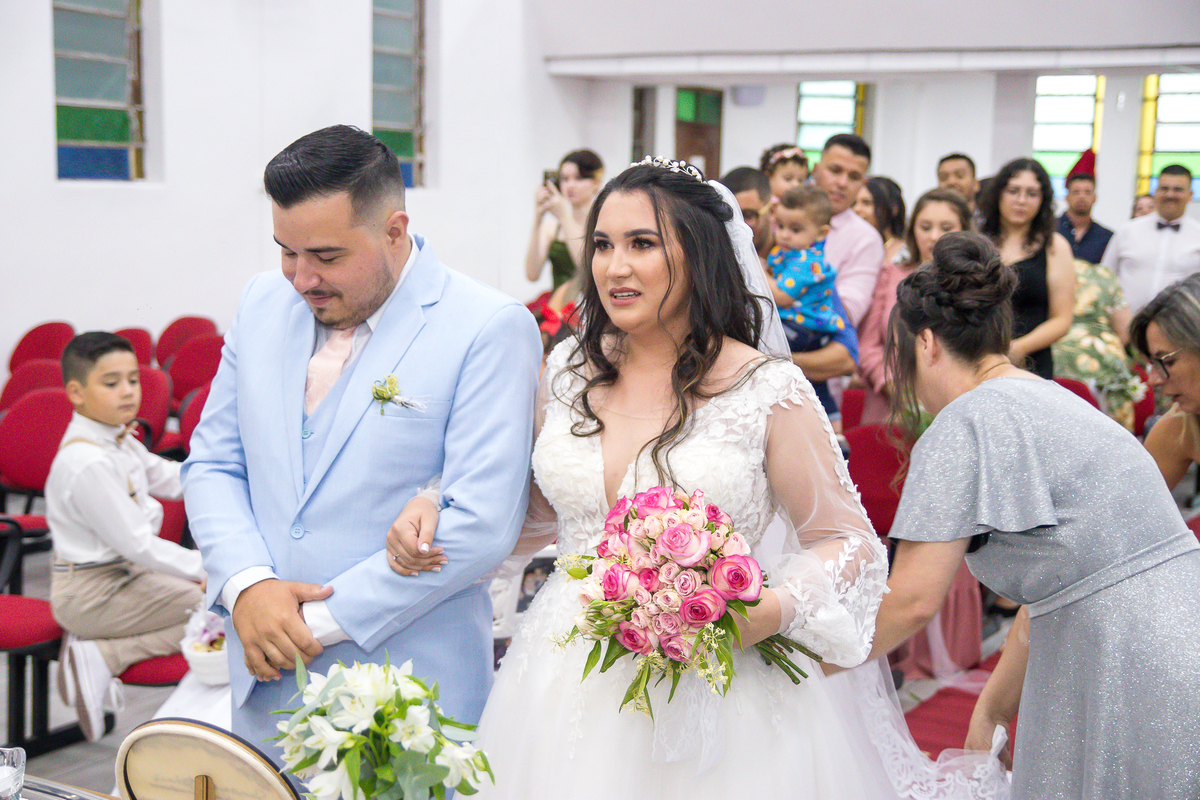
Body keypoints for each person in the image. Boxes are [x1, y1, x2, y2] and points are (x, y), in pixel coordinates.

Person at [388, 160, 1009, 800]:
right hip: (560, 672)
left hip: (718, 685)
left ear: (701, 254)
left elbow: (848, 541)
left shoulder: (766, 388)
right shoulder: (569, 369)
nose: (614, 267)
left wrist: (769, 609)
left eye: (642, 244)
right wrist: (438, 505)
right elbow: (542, 512)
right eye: (602, 245)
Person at [181, 125, 542, 761]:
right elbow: (213, 462)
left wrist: (302, 624)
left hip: (408, 700)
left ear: (394, 231)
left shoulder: (487, 326)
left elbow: (481, 524)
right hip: (264, 686)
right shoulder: (262, 302)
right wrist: (247, 586)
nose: (302, 278)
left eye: (326, 256)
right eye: (286, 252)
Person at [870, 230, 1200, 799]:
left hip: (1122, 657)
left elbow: (913, 600)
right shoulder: (1056, 398)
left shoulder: (964, 421)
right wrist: (994, 705)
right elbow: (1069, 579)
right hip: (1176, 626)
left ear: (924, 343)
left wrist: (804, 666)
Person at [47, 331, 205, 742]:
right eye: (111, 382)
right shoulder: (87, 461)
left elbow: (169, 477)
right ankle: (104, 654)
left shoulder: (114, 437)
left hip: (123, 577)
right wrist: (211, 568)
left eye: (133, 379)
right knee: (216, 608)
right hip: (92, 591)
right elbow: (139, 545)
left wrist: (224, 478)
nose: (128, 391)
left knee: (215, 603)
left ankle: (99, 649)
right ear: (76, 393)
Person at [857, 189, 970, 425]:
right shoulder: (890, 275)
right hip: (891, 407)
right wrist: (896, 388)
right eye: (925, 227)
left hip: (957, 407)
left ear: (964, 231)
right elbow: (868, 346)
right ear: (912, 230)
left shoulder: (975, 284)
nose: (934, 236)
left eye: (946, 227)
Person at [978, 157, 1075, 379]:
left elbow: (1062, 319)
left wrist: (1019, 348)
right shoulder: (977, 241)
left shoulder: (1055, 246)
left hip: (1032, 362)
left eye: (1032, 194)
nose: (1021, 200)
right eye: (1013, 191)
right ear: (998, 194)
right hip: (977, 357)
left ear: (1043, 200)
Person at [767, 184, 851, 423]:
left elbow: (782, 296)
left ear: (821, 233)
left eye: (795, 229)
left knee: (763, 341)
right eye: (780, 226)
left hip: (804, 328)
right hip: (806, 328)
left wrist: (758, 271)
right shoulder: (791, 253)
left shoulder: (805, 260)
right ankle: (833, 422)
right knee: (814, 384)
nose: (784, 234)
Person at [1051, 257, 1143, 430]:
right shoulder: (1102, 274)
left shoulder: (1040, 270)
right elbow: (1125, 329)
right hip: (1104, 362)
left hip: (1054, 359)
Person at [1102, 164, 1200, 314]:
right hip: (1126, 322)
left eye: (1178, 189)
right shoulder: (1127, 230)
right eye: (1164, 188)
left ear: (1190, 195)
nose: (1170, 195)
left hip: (1181, 324)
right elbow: (1105, 277)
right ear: (1156, 192)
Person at [1131, 274, 1200, 487]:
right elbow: (1134, 501)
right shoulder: (1182, 425)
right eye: (1152, 364)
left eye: (1166, 361)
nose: (1153, 379)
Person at [812, 133, 884, 327]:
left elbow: (846, 314)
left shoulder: (866, 238)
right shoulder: (782, 215)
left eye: (854, 177)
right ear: (815, 170)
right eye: (835, 171)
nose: (842, 183)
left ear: (863, 184)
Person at [525, 149, 605, 289]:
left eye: (579, 178)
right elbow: (532, 274)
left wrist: (563, 216)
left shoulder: (602, 226)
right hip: (558, 301)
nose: (570, 185)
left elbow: (587, 270)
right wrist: (538, 218)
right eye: (564, 179)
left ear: (596, 183)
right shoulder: (552, 228)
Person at [717, 166, 772, 264]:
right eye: (729, 217)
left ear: (772, 210)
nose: (739, 227)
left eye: (748, 215)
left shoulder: (794, 258)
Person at [1056, 173, 1113, 264]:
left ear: (1095, 198)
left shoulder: (1106, 238)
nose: (1081, 197)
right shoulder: (1050, 229)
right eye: (1076, 192)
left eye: (1087, 192)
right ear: (1067, 197)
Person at [854, 176, 907, 264]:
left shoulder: (907, 253)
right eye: (853, 203)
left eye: (867, 203)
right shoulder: (850, 247)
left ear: (893, 208)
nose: (856, 209)